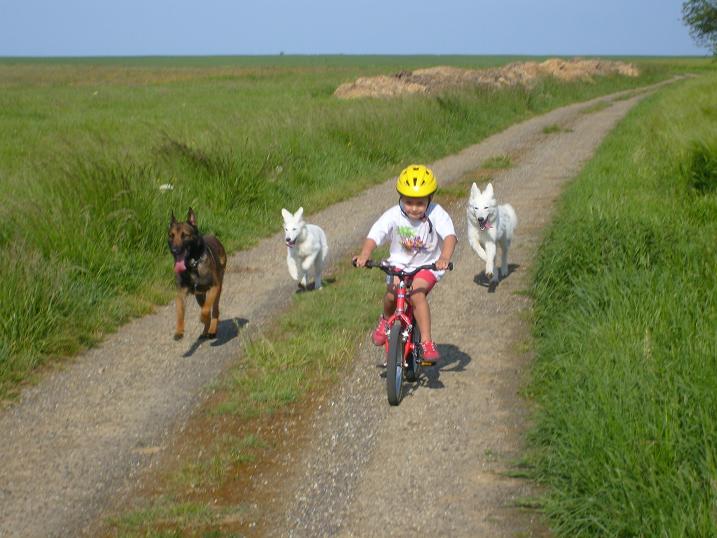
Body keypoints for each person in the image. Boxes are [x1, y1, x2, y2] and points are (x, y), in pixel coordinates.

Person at [353, 164, 457, 362]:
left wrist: (444, 257)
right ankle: (385, 320)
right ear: (400, 197)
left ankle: (426, 341)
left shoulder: (436, 213)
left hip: (426, 266)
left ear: (430, 199)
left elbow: (450, 236)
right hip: (398, 265)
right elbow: (376, 234)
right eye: (408, 202)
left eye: (420, 203)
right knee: (391, 296)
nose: (414, 208)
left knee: (417, 295)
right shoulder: (393, 214)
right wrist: (365, 254)